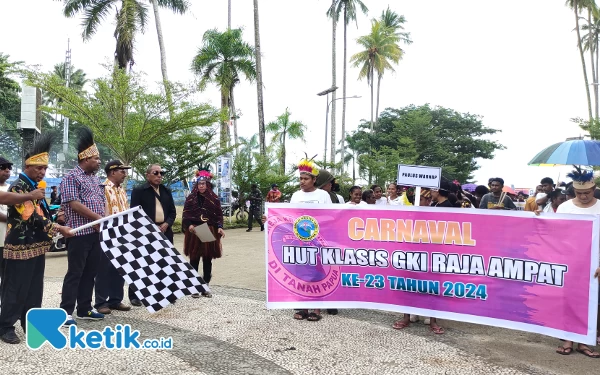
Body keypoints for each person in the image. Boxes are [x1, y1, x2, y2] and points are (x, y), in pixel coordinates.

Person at [0, 135, 73, 344]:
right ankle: (5, 326)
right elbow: (30, 217)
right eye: (38, 168)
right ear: (28, 165)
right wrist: (59, 228)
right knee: (15, 288)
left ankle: (30, 323)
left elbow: (43, 213)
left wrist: (56, 219)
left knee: (34, 288)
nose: (42, 172)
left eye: (45, 168)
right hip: (20, 247)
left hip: (37, 246)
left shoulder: (35, 188)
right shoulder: (18, 187)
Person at [60, 128, 106, 326]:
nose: (99, 161)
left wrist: (102, 220)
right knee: (75, 273)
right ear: (85, 159)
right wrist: (97, 219)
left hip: (95, 233)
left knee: (90, 273)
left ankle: (85, 308)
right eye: (96, 158)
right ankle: (65, 312)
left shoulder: (94, 178)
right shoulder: (71, 177)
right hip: (78, 234)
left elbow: (99, 201)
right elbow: (73, 203)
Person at [555, 167, 600, 357]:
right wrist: (538, 218)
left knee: (592, 302)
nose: (583, 197)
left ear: (594, 189)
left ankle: (585, 341)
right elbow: (555, 233)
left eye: (587, 193)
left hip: (595, 262)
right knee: (568, 299)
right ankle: (568, 339)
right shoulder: (565, 207)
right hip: (570, 261)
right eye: (579, 193)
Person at [129, 164, 176, 306]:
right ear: (147, 174)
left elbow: (173, 212)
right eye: (156, 173)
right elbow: (134, 213)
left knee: (165, 262)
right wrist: (150, 226)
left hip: (165, 230)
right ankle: (136, 295)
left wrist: (167, 223)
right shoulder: (139, 191)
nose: (159, 175)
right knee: (143, 263)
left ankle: (166, 292)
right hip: (146, 232)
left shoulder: (166, 190)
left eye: (162, 173)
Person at [94, 160, 132, 315]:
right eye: (122, 171)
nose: (125, 174)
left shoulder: (122, 189)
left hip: (122, 234)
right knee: (104, 269)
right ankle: (101, 302)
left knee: (120, 268)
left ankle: (115, 300)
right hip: (107, 234)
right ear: (112, 172)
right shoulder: (101, 188)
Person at [182, 170, 224, 298]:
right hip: (195, 230)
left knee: (207, 258)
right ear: (197, 185)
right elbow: (186, 214)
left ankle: (205, 286)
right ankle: (194, 287)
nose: (201, 186)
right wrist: (189, 224)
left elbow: (218, 215)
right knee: (194, 258)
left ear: (207, 184)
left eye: (204, 183)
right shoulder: (190, 198)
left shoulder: (214, 198)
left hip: (209, 229)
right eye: (199, 183)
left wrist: (220, 227)